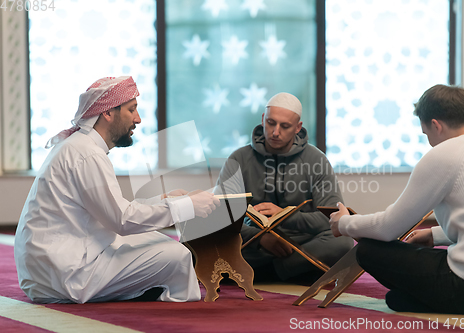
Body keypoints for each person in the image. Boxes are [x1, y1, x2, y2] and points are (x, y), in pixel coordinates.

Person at [15, 76, 220, 304]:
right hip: (67, 273)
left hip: (50, 268)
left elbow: (110, 210)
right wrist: (186, 207)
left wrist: (163, 200)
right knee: (178, 255)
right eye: (132, 110)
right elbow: (122, 220)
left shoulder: (79, 146)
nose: (138, 119)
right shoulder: (88, 154)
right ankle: (174, 304)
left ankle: (147, 289)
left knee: (152, 238)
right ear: (108, 113)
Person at [330, 84, 464, 315]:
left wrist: (343, 223)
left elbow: (387, 228)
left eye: (426, 134)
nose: (429, 141)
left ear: (435, 125)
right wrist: (434, 235)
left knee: (368, 250)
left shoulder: (444, 154)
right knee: (398, 299)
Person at [216, 92, 353, 283]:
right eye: (271, 123)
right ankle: (298, 270)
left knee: (342, 242)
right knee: (196, 240)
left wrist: (285, 216)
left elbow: (332, 218)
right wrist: (260, 238)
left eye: (285, 126)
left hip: (300, 244)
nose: (275, 132)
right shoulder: (238, 159)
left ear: (298, 127)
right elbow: (222, 216)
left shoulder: (317, 160)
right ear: (263, 119)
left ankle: (268, 272)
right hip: (252, 244)